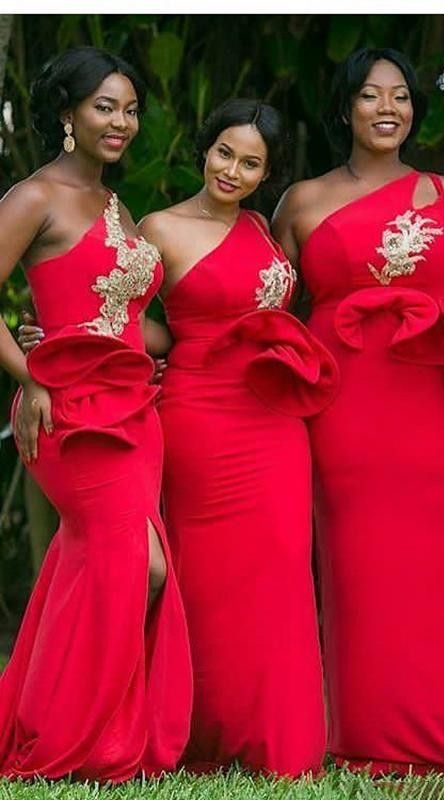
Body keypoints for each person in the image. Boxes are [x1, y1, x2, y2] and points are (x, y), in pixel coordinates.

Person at [272, 47, 444, 774]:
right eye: (371, 96)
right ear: (345, 109)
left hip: (433, 398)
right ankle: (361, 729)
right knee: (356, 562)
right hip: (343, 400)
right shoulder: (300, 201)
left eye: (400, 95)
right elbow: (266, 305)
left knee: (432, 559)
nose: (388, 108)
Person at [0, 46, 192, 781]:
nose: (121, 121)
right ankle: (76, 741)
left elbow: (122, 313)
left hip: (133, 411)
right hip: (67, 412)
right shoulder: (35, 196)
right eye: (104, 106)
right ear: (67, 115)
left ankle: (72, 726)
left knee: (99, 567)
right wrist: (32, 375)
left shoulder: (115, 204)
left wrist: (164, 349)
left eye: (130, 108)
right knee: (132, 565)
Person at [137, 100, 336, 775]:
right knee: (208, 577)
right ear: (205, 148)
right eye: (225, 152)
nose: (233, 169)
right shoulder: (157, 228)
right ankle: (203, 734)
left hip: (273, 420)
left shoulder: (260, 227)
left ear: (265, 175)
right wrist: (65, 333)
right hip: (198, 413)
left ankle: (278, 741)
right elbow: (124, 314)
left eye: (250, 163)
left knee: (279, 567)